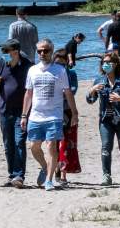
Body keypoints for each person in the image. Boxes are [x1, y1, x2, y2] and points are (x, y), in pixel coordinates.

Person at [21, 38, 78, 191]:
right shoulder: (32, 70)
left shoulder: (60, 70)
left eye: (45, 50)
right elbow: (28, 94)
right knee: (34, 146)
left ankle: (49, 180)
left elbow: (68, 93)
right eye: (39, 51)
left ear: (51, 52)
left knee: (51, 147)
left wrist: (74, 113)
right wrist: (24, 115)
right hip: (35, 116)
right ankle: (45, 167)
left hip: (54, 116)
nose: (42, 53)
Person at [85, 51, 120, 185]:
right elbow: (90, 101)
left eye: (108, 62)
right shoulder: (99, 80)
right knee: (106, 147)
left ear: (115, 64)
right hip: (105, 120)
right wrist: (91, 90)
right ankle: (106, 176)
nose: (105, 64)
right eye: (104, 62)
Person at [0, 39, 29, 187]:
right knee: (8, 144)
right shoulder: (0, 64)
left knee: (19, 141)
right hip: (4, 110)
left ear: (15, 51)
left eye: (6, 50)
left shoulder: (27, 65)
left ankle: (19, 175)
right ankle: (12, 174)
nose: (4, 53)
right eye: (3, 50)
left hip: (22, 110)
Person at [54, 51, 81, 186]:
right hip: (53, 111)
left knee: (66, 143)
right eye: (57, 64)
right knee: (54, 144)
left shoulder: (71, 74)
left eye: (63, 64)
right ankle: (56, 171)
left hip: (67, 111)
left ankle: (63, 174)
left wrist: (62, 92)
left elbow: (73, 90)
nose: (60, 67)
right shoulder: (50, 74)